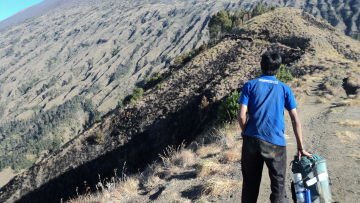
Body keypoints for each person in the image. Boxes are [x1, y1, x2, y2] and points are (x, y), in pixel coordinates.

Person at [237, 50, 312, 203]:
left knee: (250, 185)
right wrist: (300, 147)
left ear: (261, 66)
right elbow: (295, 120)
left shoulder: (250, 85)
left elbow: (241, 115)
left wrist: (247, 132)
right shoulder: (285, 89)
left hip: (251, 140)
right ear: (278, 68)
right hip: (275, 143)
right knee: (278, 186)